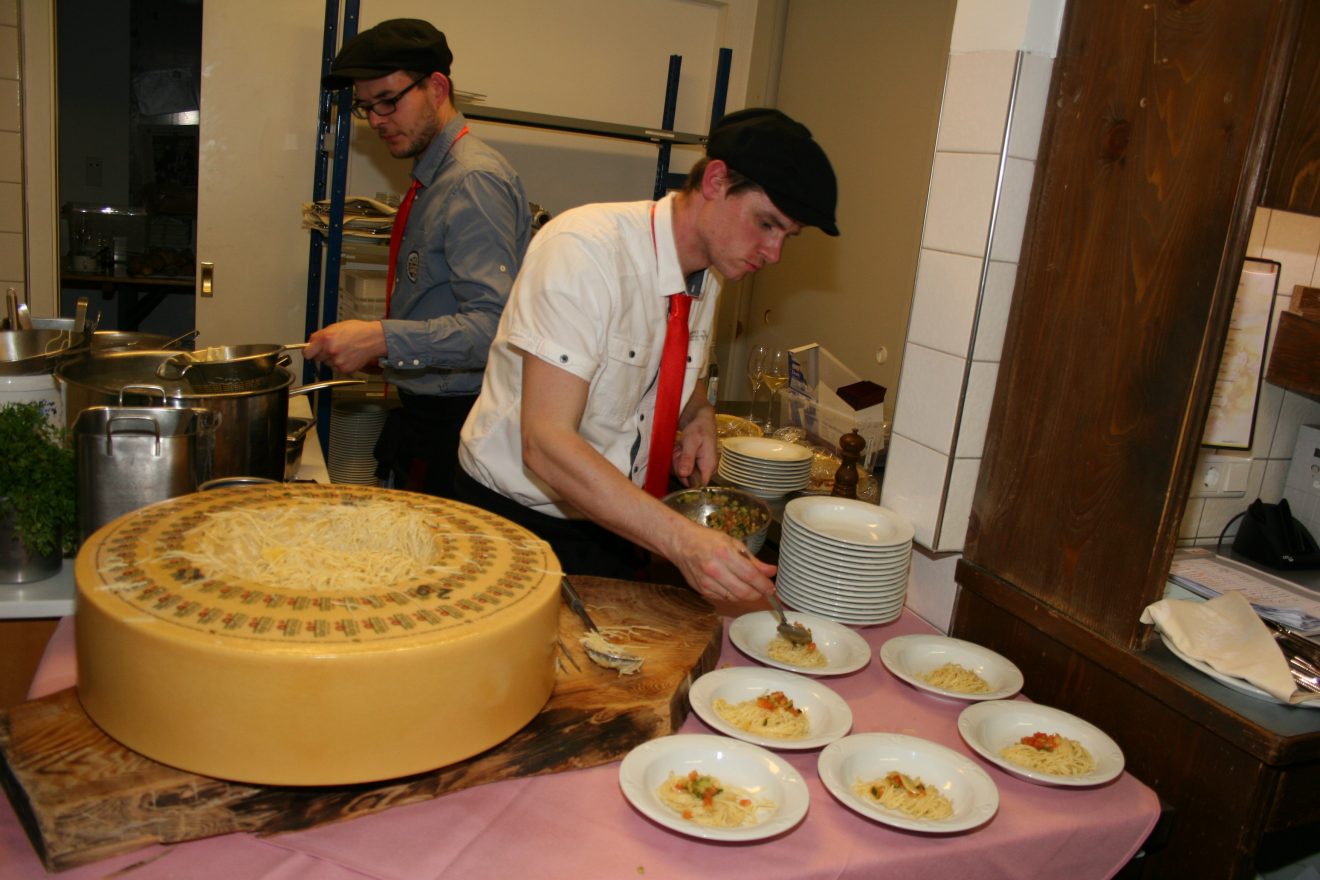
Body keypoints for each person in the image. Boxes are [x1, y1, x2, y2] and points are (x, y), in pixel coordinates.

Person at [456, 108, 838, 604]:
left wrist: (697, 410)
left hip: (617, 524)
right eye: (766, 223)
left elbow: (672, 357)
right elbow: (545, 442)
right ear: (717, 180)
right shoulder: (583, 252)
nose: (773, 253)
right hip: (515, 527)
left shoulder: (713, 271)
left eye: (788, 236)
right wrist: (681, 540)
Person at [307, 18, 532, 497]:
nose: (377, 120)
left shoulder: (472, 181)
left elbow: (493, 327)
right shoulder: (434, 178)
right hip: (428, 415)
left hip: (459, 424)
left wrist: (382, 338)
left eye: (388, 101)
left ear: (436, 87)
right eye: (366, 107)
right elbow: (438, 300)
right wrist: (382, 353)